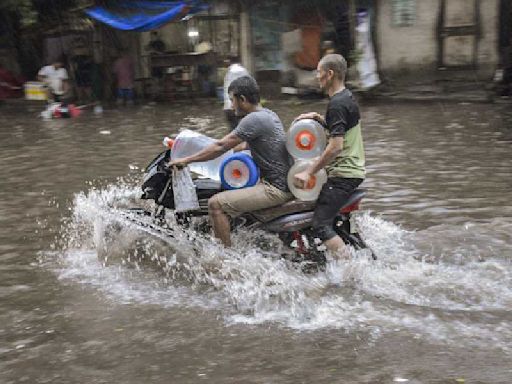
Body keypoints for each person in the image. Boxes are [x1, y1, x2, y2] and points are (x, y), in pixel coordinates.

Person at [168, 76, 293, 247]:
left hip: (275, 188)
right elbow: (238, 146)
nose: (231, 105)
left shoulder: (253, 119)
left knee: (215, 204)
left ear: (242, 99)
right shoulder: (268, 115)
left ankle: (224, 257)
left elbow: (220, 146)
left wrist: (187, 160)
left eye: (232, 100)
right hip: (281, 182)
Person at [293, 54, 365, 259]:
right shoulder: (346, 97)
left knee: (320, 226)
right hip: (354, 170)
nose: (317, 76)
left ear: (330, 74)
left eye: (319, 72)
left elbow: (335, 147)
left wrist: (309, 172)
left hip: (343, 174)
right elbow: (341, 128)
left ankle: (353, 270)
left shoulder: (337, 104)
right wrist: (318, 118)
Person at [223, 56, 249, 131]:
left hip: (227, 108)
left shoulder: (228, 73)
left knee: (232, 132)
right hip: (239, 107)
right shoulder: (242, 71)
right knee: (243, 132)